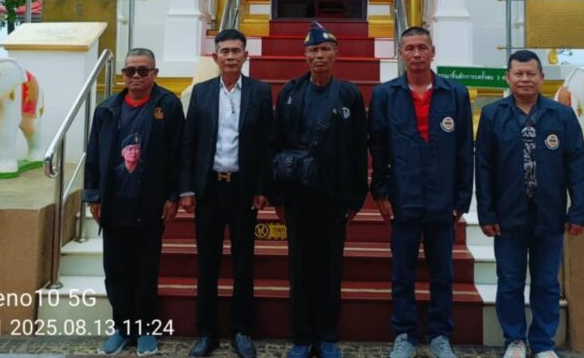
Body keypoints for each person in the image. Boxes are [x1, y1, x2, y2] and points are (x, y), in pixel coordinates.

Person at [474, 50, 584, 358]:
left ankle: (542, 343)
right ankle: (514, 340)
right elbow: (483, 167)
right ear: (508, 78)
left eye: (531, 73)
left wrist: (578, 211)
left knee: (546, 282)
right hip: (508, 216)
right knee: (510, 281)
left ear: (541, 77)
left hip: (550, 215)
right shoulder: (493, 115)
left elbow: (577, 165)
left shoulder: (562, 116)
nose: (525, 79)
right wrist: (486, 213)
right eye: (518, 74)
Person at [368, 26, 473, 358]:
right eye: (410, 48)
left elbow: (464, 150)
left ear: (433, 51)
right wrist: (381, 192)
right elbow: (378, 148)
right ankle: (405, 334)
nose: (416, 54)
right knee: (403, 272)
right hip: (404, 197)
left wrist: (461, 198)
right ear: (401, 53)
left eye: (422, 47)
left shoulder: (455, 94)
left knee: (443, 272)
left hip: (443, 199)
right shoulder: (385, 95)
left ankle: (440, 335)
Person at [272, 21, 367, 358]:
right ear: (305, 55)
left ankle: (327, 336)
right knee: (299, 269)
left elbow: (358, 149)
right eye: (313, 50)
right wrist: (278, 196)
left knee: (330, 269)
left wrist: (356, 197)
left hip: (334, 197)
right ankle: (302, 337)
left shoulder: (348, 95)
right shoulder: (290, 93)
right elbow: (277, 145)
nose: (320, 56)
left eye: (326, 49)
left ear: (336, 54)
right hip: (298, 196)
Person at [83, 48, 184, 356]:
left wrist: (173, 195)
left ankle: (145, 329)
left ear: (155, 73)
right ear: (123, 75)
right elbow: (93, 155)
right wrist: (93, 195)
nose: (136, 76)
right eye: (130, 71)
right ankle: (122, 327)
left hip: (150, 202)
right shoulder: (107, 109)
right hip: (114, 203)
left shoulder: (168, 105)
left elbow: (178, 153)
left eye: (143, 70)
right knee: (116, 271)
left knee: (145, 270)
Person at [180, 29, 273, 358]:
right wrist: (187, 187)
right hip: (208, 189)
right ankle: (206, 331)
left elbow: (266, 145)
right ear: (215, 56)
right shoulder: (202, 92)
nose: (231, 56)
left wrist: (262, 187)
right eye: (225, 51)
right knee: (208, 262)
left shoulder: (260, 92)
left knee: (244, 262)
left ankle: (241, 330)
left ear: (246, 56)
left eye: (236, 51)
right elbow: (189, 143)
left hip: (243, 190)